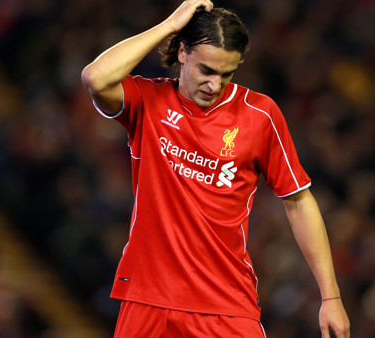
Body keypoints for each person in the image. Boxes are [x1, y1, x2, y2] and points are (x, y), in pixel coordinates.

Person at [81, 1, 350, 337]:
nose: (214, 84)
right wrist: (170, 24)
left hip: (225, 304)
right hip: (147, 298)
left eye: (227, 74)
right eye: (206, 71)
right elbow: (95, 77)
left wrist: (331, 296)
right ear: (182, 53)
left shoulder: (259, 115)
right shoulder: (147, 101)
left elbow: (298, 201)